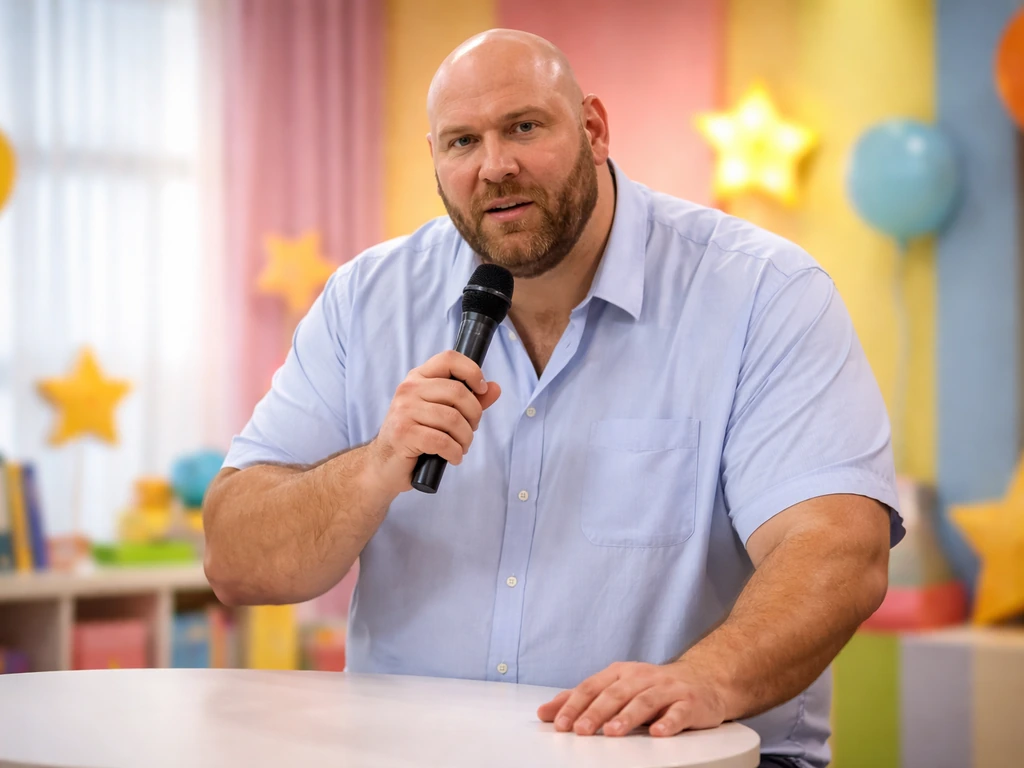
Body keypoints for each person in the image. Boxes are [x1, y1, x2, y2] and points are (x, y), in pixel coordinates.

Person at [203, 28, 903, 768]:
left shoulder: (763, 293)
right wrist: (375, 467)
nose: (494, 167)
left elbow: (837, 551)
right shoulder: (363, 301)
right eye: (461, 142)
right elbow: (235, 561)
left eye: (524, 128)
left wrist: (707, 678)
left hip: (683, 756)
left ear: (594, 129)